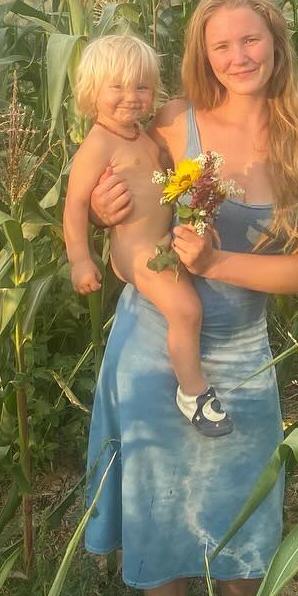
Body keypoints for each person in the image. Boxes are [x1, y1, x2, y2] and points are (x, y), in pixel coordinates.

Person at [83, 0, 298, 596]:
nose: (238, 56)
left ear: (276, 44)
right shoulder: (173, 121)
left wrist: (219, 260)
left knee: (245, 536)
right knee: (157, 519)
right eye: (220, 45)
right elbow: (120, 202)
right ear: (204, 55)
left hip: (243, 355)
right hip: (152, 346)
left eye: (250, 39)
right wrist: (100, 208)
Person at [63, 33, 233, 436]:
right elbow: (73, 206)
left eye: (141, 86)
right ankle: (193, 392)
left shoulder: (142, 136)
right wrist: (80, 259)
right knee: (187, 310)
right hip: (134, 250)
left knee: (196, 291)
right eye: (117, 87)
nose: (131, 97)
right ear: (91, 92)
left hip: (160, 241)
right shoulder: (98, 145)